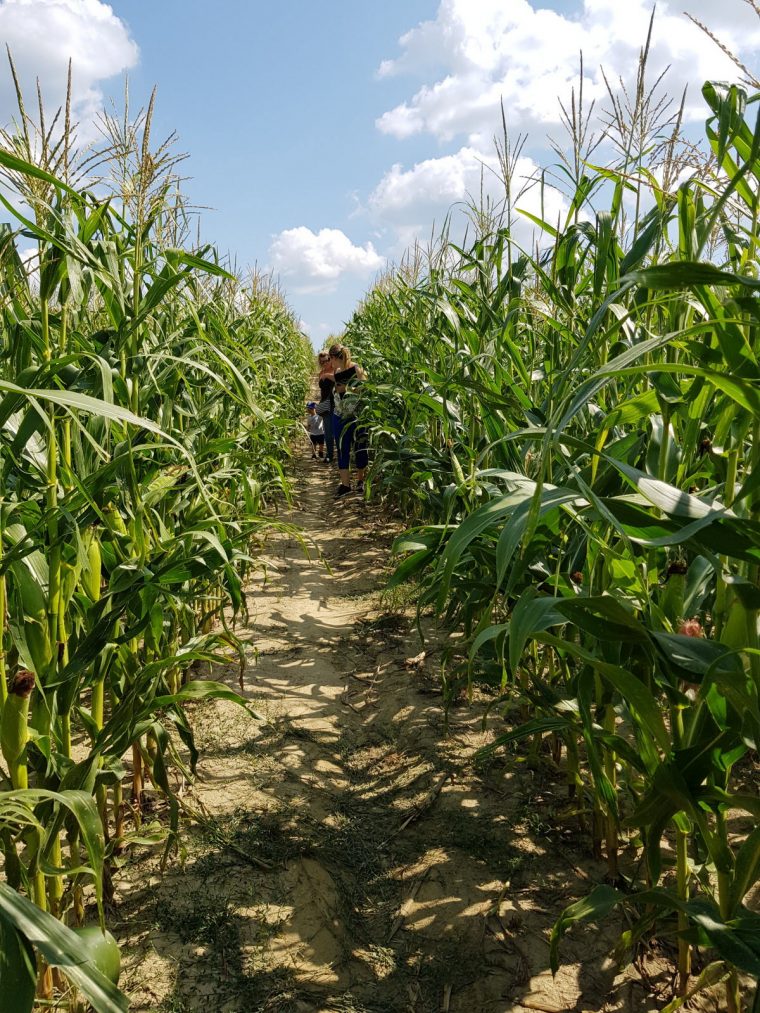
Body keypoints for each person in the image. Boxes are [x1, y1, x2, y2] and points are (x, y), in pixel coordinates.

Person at [328, 343, 368, 498]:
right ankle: (345, 486)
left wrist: (348, 387)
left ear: (334, 357)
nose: (331, 363)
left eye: (331, 359)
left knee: (360, 448)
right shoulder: (338, 371)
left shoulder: (357, 369)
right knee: (342, 448)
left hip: (357, 416)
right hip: (340, 415)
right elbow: (338, 391)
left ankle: (360, 481)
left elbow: (365, 390)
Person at [316, 351, 335, 464]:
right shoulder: (321, 373)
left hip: (336, 403)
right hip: (326, 404)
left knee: (336, 431)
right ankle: (330, 455)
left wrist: (327, 375)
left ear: (330, 359)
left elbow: (339, 379)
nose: (324, 363)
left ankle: (341, 454)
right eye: (321, 362)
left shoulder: (335, 370)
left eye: (326, 360)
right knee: (328, 431)